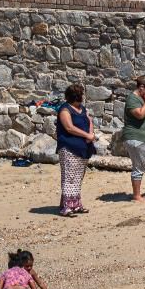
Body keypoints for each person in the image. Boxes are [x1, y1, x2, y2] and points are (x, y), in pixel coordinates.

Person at [55, 84, 97, 216]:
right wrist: (87, 135)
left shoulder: (81, 109)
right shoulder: (65, 110)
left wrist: (91, 134)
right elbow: (69, 128)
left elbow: (89, 120)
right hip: (69, 147)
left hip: (82, 148)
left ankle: (76, 204)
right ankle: (67, 207)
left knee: (78, 177)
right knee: (69, 177)